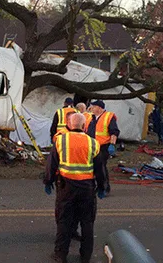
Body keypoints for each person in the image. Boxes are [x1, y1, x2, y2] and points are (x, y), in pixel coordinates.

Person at [43, 112, 106, 263]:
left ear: (69, 125)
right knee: (87, 222)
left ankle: (60, 255)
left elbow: (52, 164)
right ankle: (85, 256)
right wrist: (102, 186)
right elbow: (100, 168)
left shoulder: (60, 141)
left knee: (64, 221)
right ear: (84, 127)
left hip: (66, 187)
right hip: (87, 188)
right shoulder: (93, 143)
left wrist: (48, 181)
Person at [87, 100, 119, 194]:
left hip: (103, 146)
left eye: (94, 106)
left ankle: (104, 188)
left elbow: (114, 132)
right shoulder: (91, 117)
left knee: (101, 167)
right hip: (91, 146)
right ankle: (93, 186)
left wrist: (112, 145)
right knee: (91, 168)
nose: (91, 108)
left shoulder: (108, 117)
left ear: (100, 108)